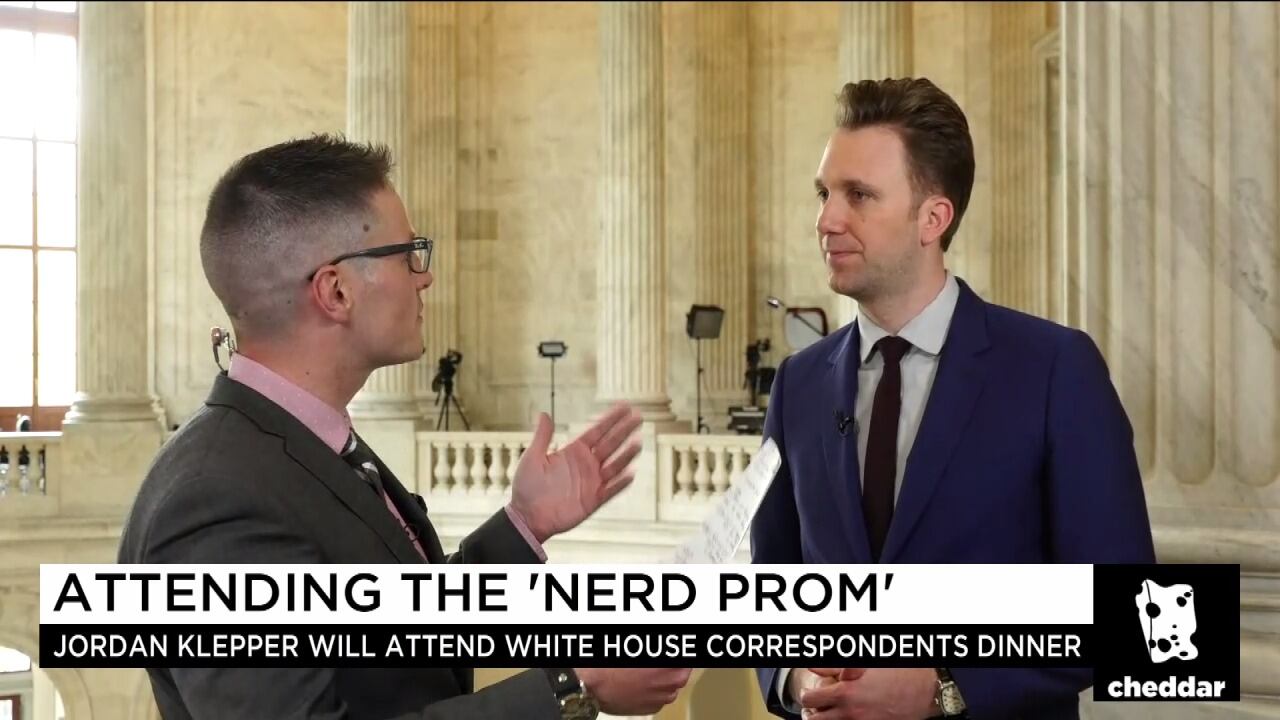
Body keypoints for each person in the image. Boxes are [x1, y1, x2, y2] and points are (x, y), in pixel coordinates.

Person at [118, 135, 691, 719]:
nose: (425, 277)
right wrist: (572, 686)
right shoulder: (215, 501)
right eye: (407, 255)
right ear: (335, 291)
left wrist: (525, 524)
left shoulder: (302, 440)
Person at [749, 78, 1156, 720]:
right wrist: (796, 678)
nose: (827, 220)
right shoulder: (797, 385)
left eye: (859, 195)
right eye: (825, 194)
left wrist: (944, 686)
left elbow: (1128, 610)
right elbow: (768, 587)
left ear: (933, 218)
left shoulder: (1055, 370)